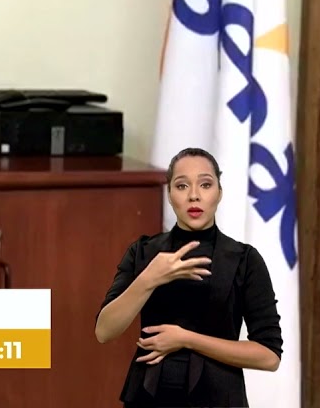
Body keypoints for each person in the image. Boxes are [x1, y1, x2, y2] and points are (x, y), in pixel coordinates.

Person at [94, 147, 283, 407]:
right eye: (182, 186)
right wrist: (149, 278)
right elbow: (104, 331)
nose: (194, 195)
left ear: (219, 193)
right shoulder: (143, 252)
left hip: (219, 399)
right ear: (170, 195)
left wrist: (186, 339)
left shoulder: (245, 259)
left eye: (205, 184)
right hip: (148, 397)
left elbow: (269, 355)